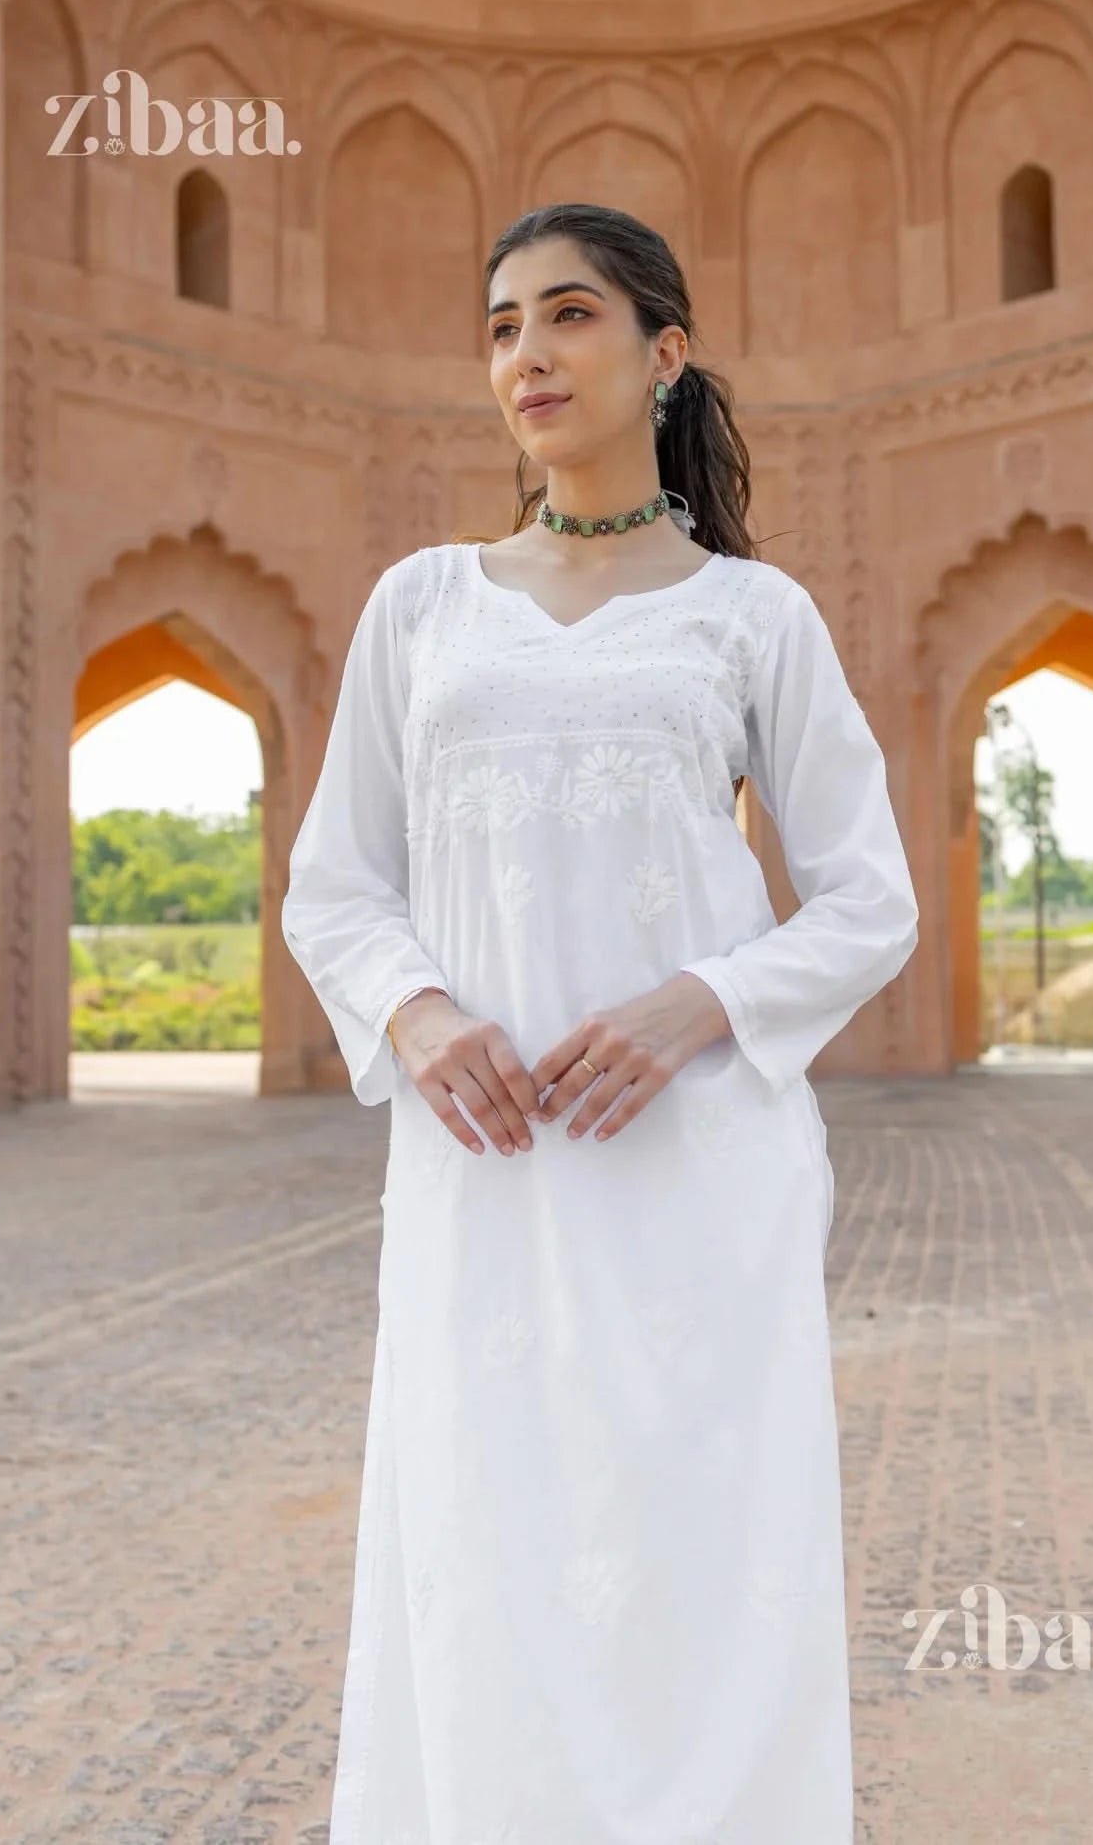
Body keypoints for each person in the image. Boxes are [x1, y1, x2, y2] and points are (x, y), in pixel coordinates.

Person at [281, 201, 919, 1845]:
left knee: (701, 1558)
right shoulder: (424, 608)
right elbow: (337, 883)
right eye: (500, 326)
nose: (528, 355)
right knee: (485, 1547)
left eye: (568, 316)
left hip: (695, 1173)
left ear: (664, 351)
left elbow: (868, 896)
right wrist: (418, 1015)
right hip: (484, 1175)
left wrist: (700, 999)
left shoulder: (749, 617)